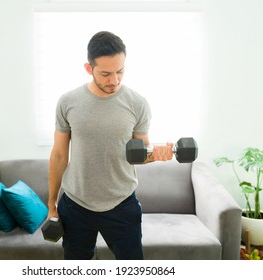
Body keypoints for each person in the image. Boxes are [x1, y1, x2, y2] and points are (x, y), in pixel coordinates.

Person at [47, 31, 173, 260]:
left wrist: (158, 154)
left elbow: (141, 153)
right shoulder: (68, 102)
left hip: (122, 203)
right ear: (89, 68)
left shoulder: (137, 103)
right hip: (76, 204)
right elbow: (58, 155)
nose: (114, 80)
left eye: (120, 71)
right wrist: (51, 203)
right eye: (105, 74)